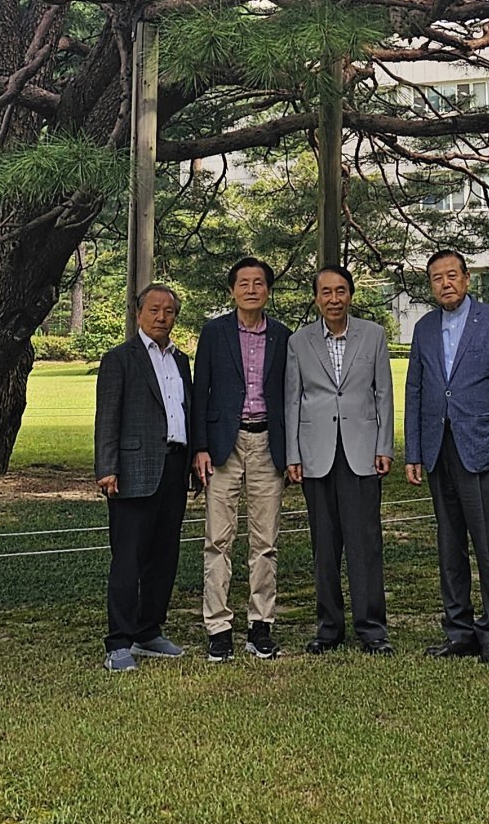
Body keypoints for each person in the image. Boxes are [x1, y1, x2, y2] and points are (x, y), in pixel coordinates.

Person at [404, 248, 489, 668]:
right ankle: (458, 630)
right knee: (449, 543)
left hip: (483, 450)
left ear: (467, 279)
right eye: (437, 278)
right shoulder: (424, 329)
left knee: (488, 545)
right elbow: (415, 391)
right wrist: (413, 451)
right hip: (438, 449)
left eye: (452, 275)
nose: (445, 283)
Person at [285, 264, 395, 655]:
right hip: (316, 455)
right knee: (325, 546)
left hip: (362, 452)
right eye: (326, 292)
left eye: (341, 291)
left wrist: (385, 446)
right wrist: (293, 454)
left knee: (365, 544)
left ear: (351, 295)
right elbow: (293, 399)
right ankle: (328, 627)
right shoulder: (298, 342)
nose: (334, 299)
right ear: (316, 297)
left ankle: (372, 629)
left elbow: (383, 393)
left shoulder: (374, 335)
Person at [191, 256, 289, 661]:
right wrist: (199, 447)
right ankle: (218, 627)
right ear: (232, 290)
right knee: (218, 540)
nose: (251, 289)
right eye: (243, 283)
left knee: (265, 542)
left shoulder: (283, 336)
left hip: (267, 443)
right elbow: (200, 393)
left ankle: (260, 624)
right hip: (222, 448)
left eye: (259, 283)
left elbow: (291, 396)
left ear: (268, 290)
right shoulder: (214, 333)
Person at [94, 282, 193, 673]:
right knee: (128, 560)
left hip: (174, 466)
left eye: (168, 311)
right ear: (138, 314)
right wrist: (107, 467)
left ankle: (148, 631)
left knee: (164, 557)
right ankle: (119, 641)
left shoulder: (181, 360)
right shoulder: (120, 358)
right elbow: (107, 417)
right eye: (153, 310)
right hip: (132, 471)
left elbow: (186, 411)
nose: (161, 317)